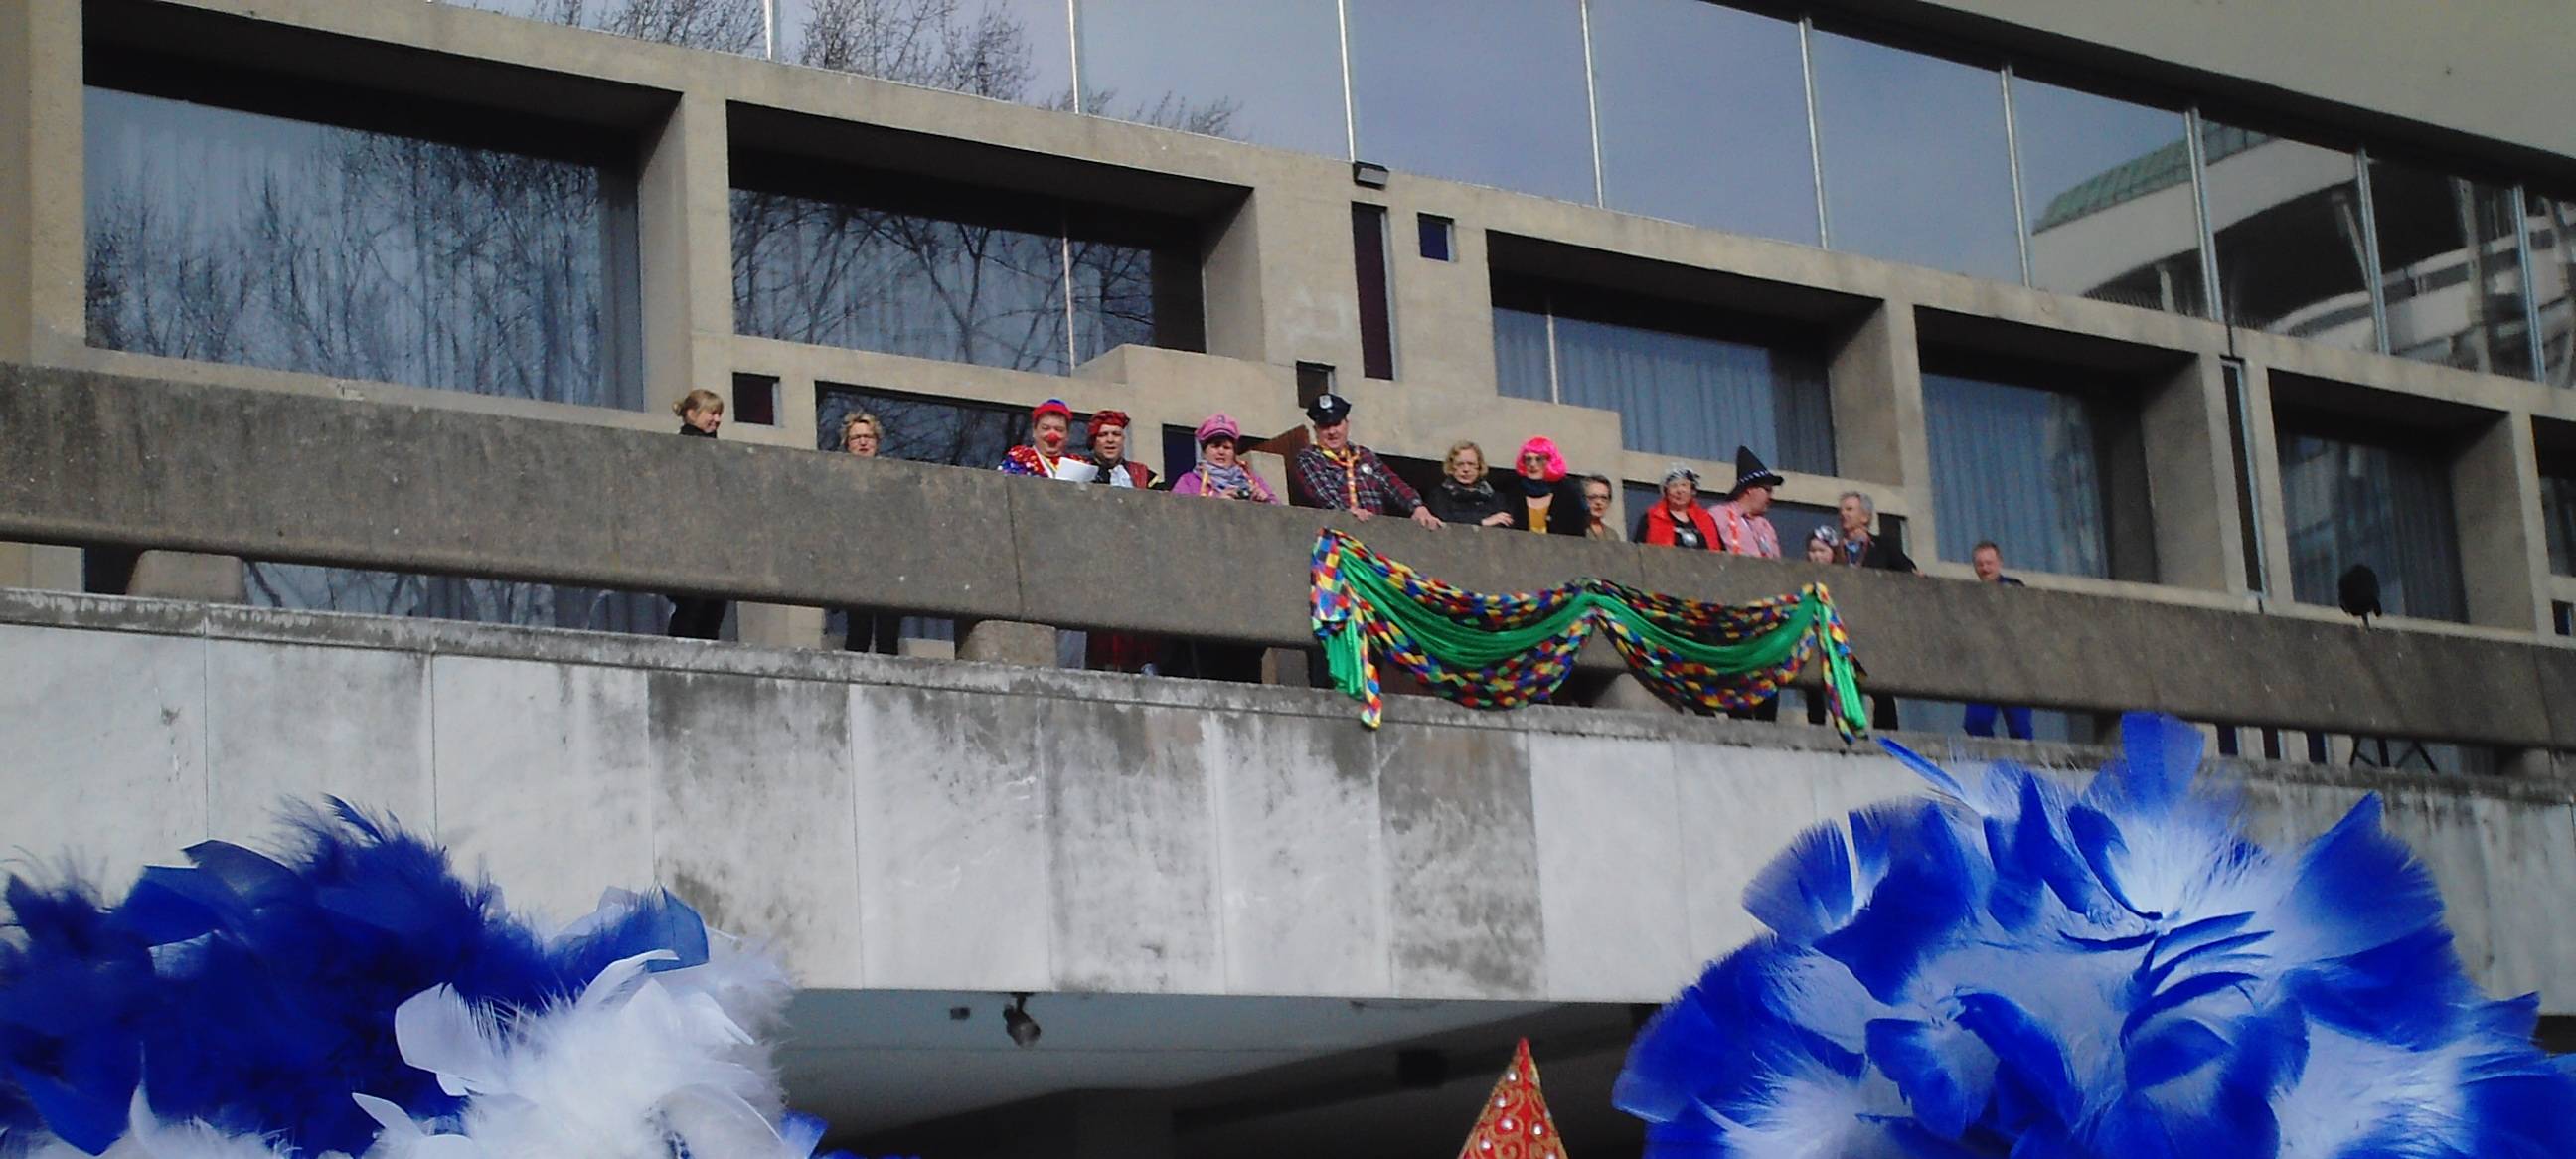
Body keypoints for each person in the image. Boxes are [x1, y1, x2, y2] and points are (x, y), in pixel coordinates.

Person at [1288, 394, 1440, 529]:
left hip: (1374, 531)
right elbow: (1323, 495)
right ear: (1316, 430)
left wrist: (1417, 507)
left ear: (1347, 424)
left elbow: (1393, 483)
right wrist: (1347, 512)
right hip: (1337, 535)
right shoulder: (1308, 458)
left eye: (1336, 424)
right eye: (1325, 427)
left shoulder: (1363, 455)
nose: (1332, 432)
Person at [665, 389, 729, 640]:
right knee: (692, 607)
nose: (717, 419)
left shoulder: (717, 452)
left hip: (713, 545)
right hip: (687, 545)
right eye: (712, 413)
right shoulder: (679, 450)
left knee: (713, 610)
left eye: (719, 414)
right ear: (692, 414)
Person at [839, 411, 902, 655]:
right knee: (857, 633)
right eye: (856, 438)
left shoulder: (893, 478)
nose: (863, 442)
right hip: (855, 565)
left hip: (890, 565)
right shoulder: (838, 478)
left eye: (868, 437)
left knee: (888, 638)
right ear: (847, 444)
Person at [1963, 540, 2035, 741]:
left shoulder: (2014, 588)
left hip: (2014, 669)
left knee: (2020, 728)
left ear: (1999, 563)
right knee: (1976, 724)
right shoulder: (1969, 595)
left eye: (1989, 563)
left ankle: (2022, 770)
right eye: (1980, 564)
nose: (1985, 568)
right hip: (1983, 670)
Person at [1170, 413, 1281, 503]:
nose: (1221, 452)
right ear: (1204, 452)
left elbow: (1281, 513)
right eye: (1216, 447)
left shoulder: (1254, 480)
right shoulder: (1188, 481)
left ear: (1234, 453)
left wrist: (1266, 501)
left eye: (1227, 448)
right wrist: (1217, 503)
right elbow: (1176, 513)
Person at [1506, 436, 1588, 537]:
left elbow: (1577, 533)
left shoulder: (1568, 492)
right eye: (1528, 459)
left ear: (1551, 462)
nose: (1532, 464)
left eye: (1539, 459)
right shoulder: (1513, 492)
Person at [1711, 446, 1783, 559]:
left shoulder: (1765, 526)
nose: (1771, 497)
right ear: (1750, 489)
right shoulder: (1720, 515)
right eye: (1767, 490)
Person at [999, 399, 1094, 480]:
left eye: (1059, 430)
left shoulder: (1079, 466)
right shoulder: (1020, 458)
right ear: (1034, 432)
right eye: (1045, 428)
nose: (1052, 435)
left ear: (1067, 435)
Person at [1429, 441, 1512, 528]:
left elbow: (1506, 523)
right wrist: (1482, 521)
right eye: (1460, 464)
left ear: (1479, 467)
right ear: (1451, 467)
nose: (1466, 469)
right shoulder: (1439, 495)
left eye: (1471, 464)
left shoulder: (1497, 499)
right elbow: (1443, 520)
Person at [1636, 463, 1718, 549]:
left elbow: (1719, 552)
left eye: (1684, 485)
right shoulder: (1651, 517)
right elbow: (1638, 551)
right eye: (1674, 486)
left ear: (1693, 491)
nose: (1679, 491)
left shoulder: (1706, 519)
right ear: (1666, 492)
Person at [1834, 490, 1917, 573]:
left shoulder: (1884, 546)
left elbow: (1908, 569)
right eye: (1840, 510)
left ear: (1865, 516)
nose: (1842, 513)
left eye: (1849, 509)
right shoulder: (1834, 548)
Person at [1083, 410, 1156, 489]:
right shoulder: (1082, 471)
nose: (1110, 440)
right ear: (1093, 441)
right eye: (1103, 435)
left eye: (1116, 435)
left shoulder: (1143, 475)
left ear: (1123, 439)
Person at [1580, 474, 1622, 542]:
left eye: (1604, 498)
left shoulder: (1612, 535)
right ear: (1584, 499)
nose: (1599, 502)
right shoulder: (1575, 529)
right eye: (1593, 497)